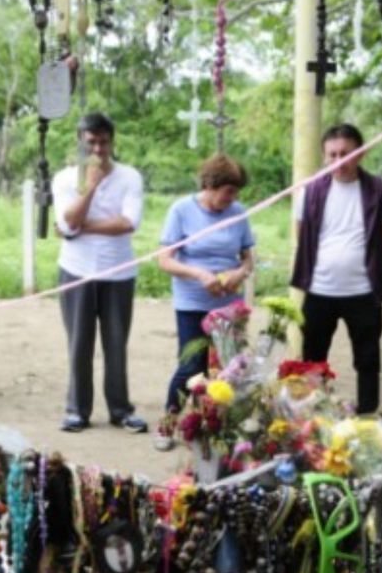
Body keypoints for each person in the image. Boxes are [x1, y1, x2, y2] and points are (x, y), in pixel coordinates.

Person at [291, 124, 382, 416]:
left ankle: (366, 414)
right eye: (332, 154)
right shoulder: (309, 192)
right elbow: (303, 237)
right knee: (313, 357)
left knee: (367, 357)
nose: (339, 159)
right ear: (325, 156)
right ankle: (315, 413)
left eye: (345, 153)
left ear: (360, 153)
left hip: (363, 292)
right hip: (319, 290)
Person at [52, 112, 148, 434]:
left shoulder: (130, 177)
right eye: (91, 142)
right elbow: (66, 224)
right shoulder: (65, 178)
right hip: (76, 271)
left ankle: (121, 410)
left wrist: (80, 226)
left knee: (116, 344)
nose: (97, 148)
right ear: (80, 142)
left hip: (118, 273)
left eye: (103, 142)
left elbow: (127, 223)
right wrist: (89, 188)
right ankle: (77, 410)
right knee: (79, 343)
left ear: (112, 142)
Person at [156, 155, 255, 449]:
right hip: (192, 302)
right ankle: (167, 425)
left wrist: (239, 274)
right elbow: (164, 261)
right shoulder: (181, 210)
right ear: (210, 185)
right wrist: (199, 274)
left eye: (236, 192)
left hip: (229, 305)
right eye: (228, 191)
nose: (232, 198)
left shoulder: (238, 212)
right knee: (191, 367)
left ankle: (224, 430)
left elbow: (248, 259)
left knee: (231, 368)